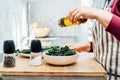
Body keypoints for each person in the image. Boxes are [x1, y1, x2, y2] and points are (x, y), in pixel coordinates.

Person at [66, 0, 120, 80]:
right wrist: (89, 46)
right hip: (104, 75)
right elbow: (111, 41)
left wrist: (96, 12)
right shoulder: (106, 2)